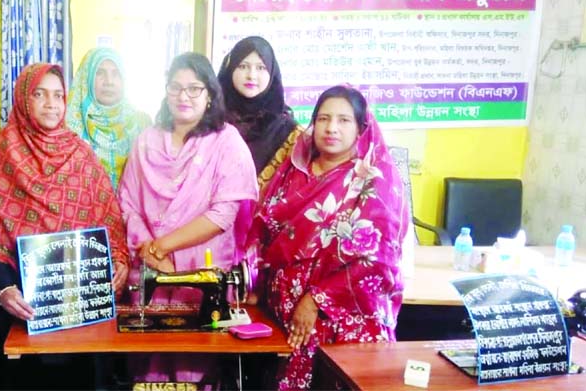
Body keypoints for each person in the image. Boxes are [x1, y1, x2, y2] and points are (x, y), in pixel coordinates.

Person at [0, 63, 130, 390]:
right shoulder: (1, 152)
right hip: (22, 306)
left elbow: (108, 217)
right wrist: (4, 289)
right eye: (39, 94)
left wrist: (120, 261)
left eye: (58, 95)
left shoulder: (80, 154)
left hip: (78, 306)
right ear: (23, 98)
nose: (51, 104)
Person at [248, 85, 408, 390]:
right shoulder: (293, 171)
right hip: (282, 321)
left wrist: (315, 300)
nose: (331, 128)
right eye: (323, 118)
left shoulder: (372, 180)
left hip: (339, 320)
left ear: (361, 128)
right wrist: (258, 285)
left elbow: (378, 260)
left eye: (343, 120)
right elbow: (265, 231)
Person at [118, 52, 258, 385]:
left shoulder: (226, 142)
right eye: (175, 87)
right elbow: (128, 204)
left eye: (194, 88)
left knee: (197, 366)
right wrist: (150, 251)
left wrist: (163, 246)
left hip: (201, 266)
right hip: (150, 268)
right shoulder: (146, 141)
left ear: (209, 94)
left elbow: (223, 214)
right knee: (148, 368)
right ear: (166, 92)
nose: (184, 96)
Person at [217, 36, 301, 192]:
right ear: (230, 69)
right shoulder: (211, 120)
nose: (251, 75)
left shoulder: (287, 131)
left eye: (261, 68)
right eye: (243, 66)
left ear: (272, 72)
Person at [65, 47, 151, 188]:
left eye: (116, 74)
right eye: (100, 73)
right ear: (86, 79)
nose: (109, 81)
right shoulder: (68, 128)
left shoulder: (141, 125)